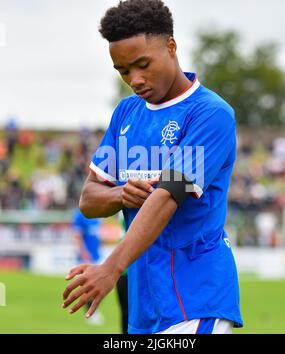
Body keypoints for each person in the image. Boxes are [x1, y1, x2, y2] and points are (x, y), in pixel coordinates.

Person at [62, 0, 243, 334]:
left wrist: (111, 268)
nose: (135, 79)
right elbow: (89, 199)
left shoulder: (210, 114)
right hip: (144, 303)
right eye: (124, 71)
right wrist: (120, 194)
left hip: (196, 297)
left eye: (143, 64)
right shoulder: (126, 113)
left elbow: (168, 196)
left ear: (171, 47)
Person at [71, 208, 104, 325]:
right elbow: (77, 236)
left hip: (96, 256)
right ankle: (90, 313)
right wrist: (83, 252)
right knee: (87, 287)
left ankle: (93, 312)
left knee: (97, 286)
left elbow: (97, 236)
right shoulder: (79, 216)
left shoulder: (97, 215)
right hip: (85, 258)